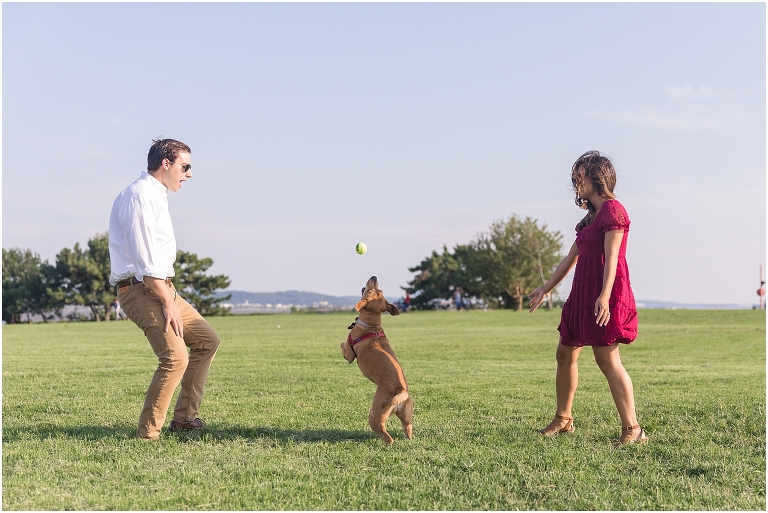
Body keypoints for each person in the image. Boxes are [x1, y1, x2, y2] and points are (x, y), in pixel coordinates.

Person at [528, 150, 646, 445]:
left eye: (580, 175)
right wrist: (546, 287)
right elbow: (572, 256)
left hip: (605, 292)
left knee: (607, 360)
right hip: (582, 292)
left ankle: (633, 429)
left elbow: (613, 257)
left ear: (597, 176)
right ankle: (563, 418)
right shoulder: (589, 218)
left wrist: (605, 297)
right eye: (575, 176)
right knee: (565, 352)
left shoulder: (613, 211)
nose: (576, 180)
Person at [108, 138, 221, 440]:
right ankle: (148, 433)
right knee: (175, 358)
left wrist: (169, 296)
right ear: (166, 163)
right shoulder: (139, 197)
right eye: (186, 167)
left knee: (207, 341)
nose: (189, 174)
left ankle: (184, 419)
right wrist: (167, 302)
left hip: (160, 287)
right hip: (142, 289)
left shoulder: (155, 195)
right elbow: (145, 262)